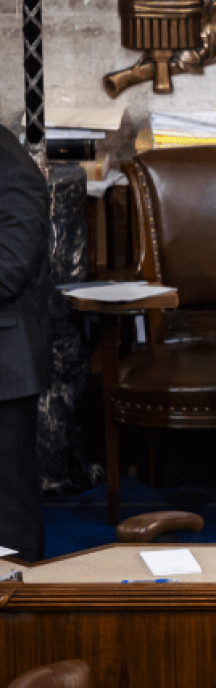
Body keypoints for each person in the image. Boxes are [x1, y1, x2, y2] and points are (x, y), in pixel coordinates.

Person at [0, 127, 52, 564]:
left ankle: (20, 619)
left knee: (9, 518)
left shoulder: (13, 169)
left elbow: (8, 270)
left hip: (5, 370)